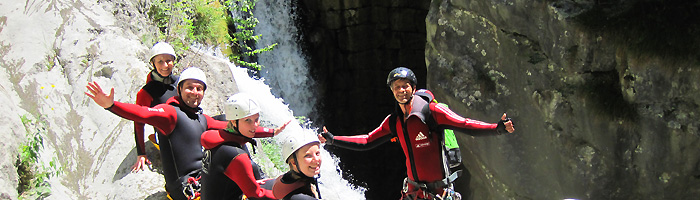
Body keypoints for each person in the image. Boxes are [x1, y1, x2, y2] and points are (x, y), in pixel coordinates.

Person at [85, 67, 286, 200]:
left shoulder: (202, 118)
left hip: (203, 177)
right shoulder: (170, 113)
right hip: (184, 187)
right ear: (179, 89)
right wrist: (111, 105)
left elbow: (236, 127)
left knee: (247, 168)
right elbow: (143, 113)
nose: (195, 92)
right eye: (189, 87)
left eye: (199, 88)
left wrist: (270, 132)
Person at [318, 67, 515, 200]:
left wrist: (497, 128)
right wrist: (334, 140)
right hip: (413, 192)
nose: (401, 90)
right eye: (397, 87)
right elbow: (368, 140)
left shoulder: (432, 112)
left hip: (439, 192)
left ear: (413, 87)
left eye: (405, 86)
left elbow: (464, 124)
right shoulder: (394, 121)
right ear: (392, 91)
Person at [200, 93, 291, 200]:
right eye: (248, 120)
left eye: (256, 119)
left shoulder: (215, 140)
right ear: (234, 122)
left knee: (269, 183)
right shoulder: (237, 155)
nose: (255, 125)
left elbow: (249, 130)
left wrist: (273, 132)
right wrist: (288, 196)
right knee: (281, 187)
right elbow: (256, 194)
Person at [132, 42, 179, 172]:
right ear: (153, 64)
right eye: (160, 61)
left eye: (168, 60)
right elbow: (138, 122)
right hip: (167, 138)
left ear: (174, 61)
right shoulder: (146, 92)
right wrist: (141, 153)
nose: (165, 65)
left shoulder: (179, 82)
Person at [271, 132, 323, 200]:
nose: (316, 159)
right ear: (294, 163)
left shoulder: (289, 179)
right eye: (307, 156)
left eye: (317, 153)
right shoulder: (300, 197)